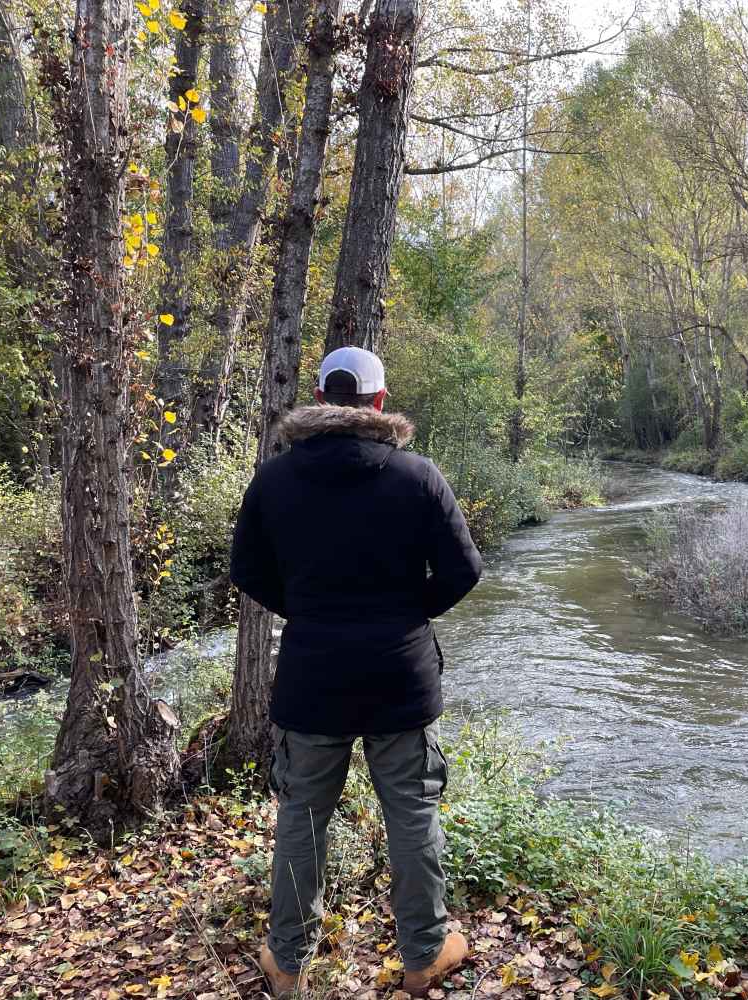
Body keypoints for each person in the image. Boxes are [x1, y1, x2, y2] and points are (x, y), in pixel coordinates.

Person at [230, 346, 483, 997]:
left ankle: (288, 963)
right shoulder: (417, 475)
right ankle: (424, 956)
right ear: (379, 400)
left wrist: (308, 611)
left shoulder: (274, 479)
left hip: (313, 675)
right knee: (412, 813)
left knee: (302, 817)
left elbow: (247, 571)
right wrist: (406, 614)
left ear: (320, 396)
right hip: (400, 674)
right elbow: (464, 570)